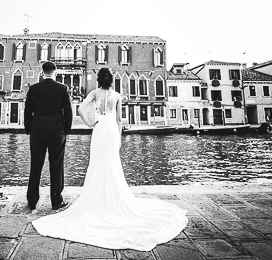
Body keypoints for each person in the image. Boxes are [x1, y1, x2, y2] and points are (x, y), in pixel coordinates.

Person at [32, 67, 188, 251]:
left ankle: (95, 199)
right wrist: (119, 139)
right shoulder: (117, 96)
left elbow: (80, 109)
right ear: (111, 80)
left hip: (98, 130)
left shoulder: (95, 93)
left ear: (98, 80)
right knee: (112, 164)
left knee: (97, 164)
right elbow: (120, 120)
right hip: (112, 131)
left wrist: (90, 124)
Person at [24, 61, 73, 211]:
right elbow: (68, 112)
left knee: (36, 166)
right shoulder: (63, 88)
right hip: (57, 132)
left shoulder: (33, 89)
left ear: (42, 72)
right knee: (56, 166)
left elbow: (27, 111)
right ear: (55, 72)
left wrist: (28, 129)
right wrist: (67, 130)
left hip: (37, 131)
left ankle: (32, 200)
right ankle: (56, 200)